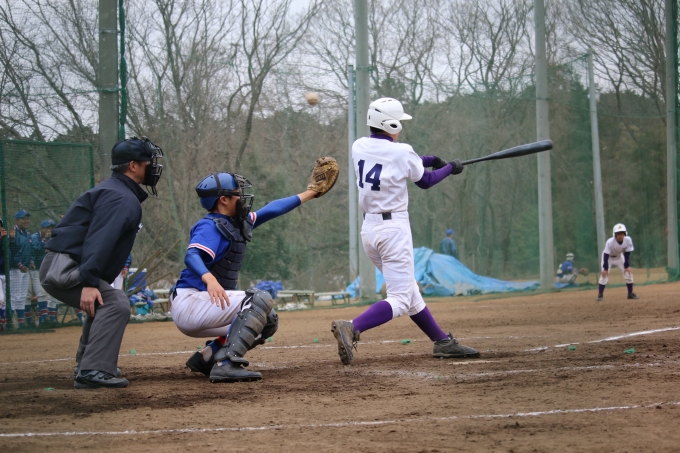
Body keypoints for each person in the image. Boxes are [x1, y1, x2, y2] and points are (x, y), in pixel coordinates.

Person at [331, 97, 479, 365]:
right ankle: (352, 327)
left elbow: (399, 162)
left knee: (410, 292)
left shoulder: (359, 146)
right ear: (391, 124)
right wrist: (450, 168)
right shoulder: (401, 152)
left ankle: (442, 342)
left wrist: (432, 159)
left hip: (369, 231)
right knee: (400, 298)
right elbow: (426, 180)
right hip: (393, 231)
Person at [175, 161, 337, 383]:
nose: (242, 198)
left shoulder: (234, 223)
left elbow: (272, 209)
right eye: (237, 194)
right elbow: (192, 255)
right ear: (223, 200)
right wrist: (209, 278)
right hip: (191, 301)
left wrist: (310, 193)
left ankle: (207, 357)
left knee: (267, 319)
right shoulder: (210, 225)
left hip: (205, 304)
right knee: (259, 299)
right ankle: (227, 365)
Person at [39, 136, 163, 389]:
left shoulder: (117, 191)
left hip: (67, 264)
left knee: (105, 301)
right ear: (133, 166)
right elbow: (100, 239)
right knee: (116, 303)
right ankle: (93, 369)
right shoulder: (120, 197)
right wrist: (89, 281)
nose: (152, 167)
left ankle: (88, 364)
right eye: (147, 162)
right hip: (65, 268)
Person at [26, 219, 60, 324]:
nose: (50, 230)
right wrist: (45, 240)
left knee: (52, 294)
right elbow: (35, 251)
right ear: (41, 228)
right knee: (40, 293)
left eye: (52, 227)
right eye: (47, 228)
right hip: (35, 269)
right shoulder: (34, 237)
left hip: (50, 269)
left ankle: (52, 318)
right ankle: (43, 319)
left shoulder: (54, 237)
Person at [597, 223, 637, 301]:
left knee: (628, 273)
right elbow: (606, 254)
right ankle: (600, 294)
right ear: (615, 235)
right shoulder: (610, 242)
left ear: (625, 234)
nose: (620, 235)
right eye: (618, 234)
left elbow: (627, 253)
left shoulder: (628, 240)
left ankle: (630, 294)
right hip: (608, 258)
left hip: (619, 257)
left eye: (622, 233)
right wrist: (605, 268)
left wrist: (626, 266)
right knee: (604, 275)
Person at [8, 209, 33, 327]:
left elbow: (29, 251)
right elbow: (12, 251)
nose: (26, 221)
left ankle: (21, 323)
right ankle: (10, 323)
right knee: (14, 296)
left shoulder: (26, 234)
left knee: (22, 296)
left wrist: (31, 261)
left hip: (25, 269)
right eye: (23, 219)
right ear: (17, 220)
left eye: (27, 218)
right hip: (15, 269)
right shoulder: (13, 233)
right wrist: (20, 265)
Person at [0, 218, 7, 330]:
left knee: (3, 301)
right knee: (1, 299)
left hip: (5, 272)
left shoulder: (5, 238)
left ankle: (3, 323)